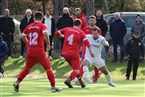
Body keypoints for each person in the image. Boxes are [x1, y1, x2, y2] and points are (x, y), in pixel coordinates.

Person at [13, 11, 62, 93]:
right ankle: (53, 87)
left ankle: (17, 82)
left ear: (33, 18)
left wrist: (28, 43)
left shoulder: (29, 26)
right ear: (42, 18)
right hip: (39, 52)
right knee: (48, 69)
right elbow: (45, 33)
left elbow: (22, 36)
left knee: (27, 69)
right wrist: (48, 44)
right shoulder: (42, 25)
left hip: (30, 52)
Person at [55, 19, 94, 88]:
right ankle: (68, 80)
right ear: (80, 25)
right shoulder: (81, 32)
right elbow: (87, 42)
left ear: (73, 24)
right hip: (74, 53)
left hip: (65, 54)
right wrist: (91, 52)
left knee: (75, 69)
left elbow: (56, 33)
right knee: (77, 70)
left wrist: (62, 36)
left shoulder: (67, 29)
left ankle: (82, 83)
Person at [82, 15, 102, 83]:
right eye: (91, 20)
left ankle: (95, 78)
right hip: (86, 48)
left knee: (96, 64)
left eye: (93, 20)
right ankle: (80, 78)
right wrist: (81, 46)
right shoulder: (85, 29)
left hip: (95, 49)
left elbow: (100, 39)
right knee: (84, 62)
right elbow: (82, 38)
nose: (92, 22)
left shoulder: (98, 29)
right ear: (88, 21)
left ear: (95, 21)